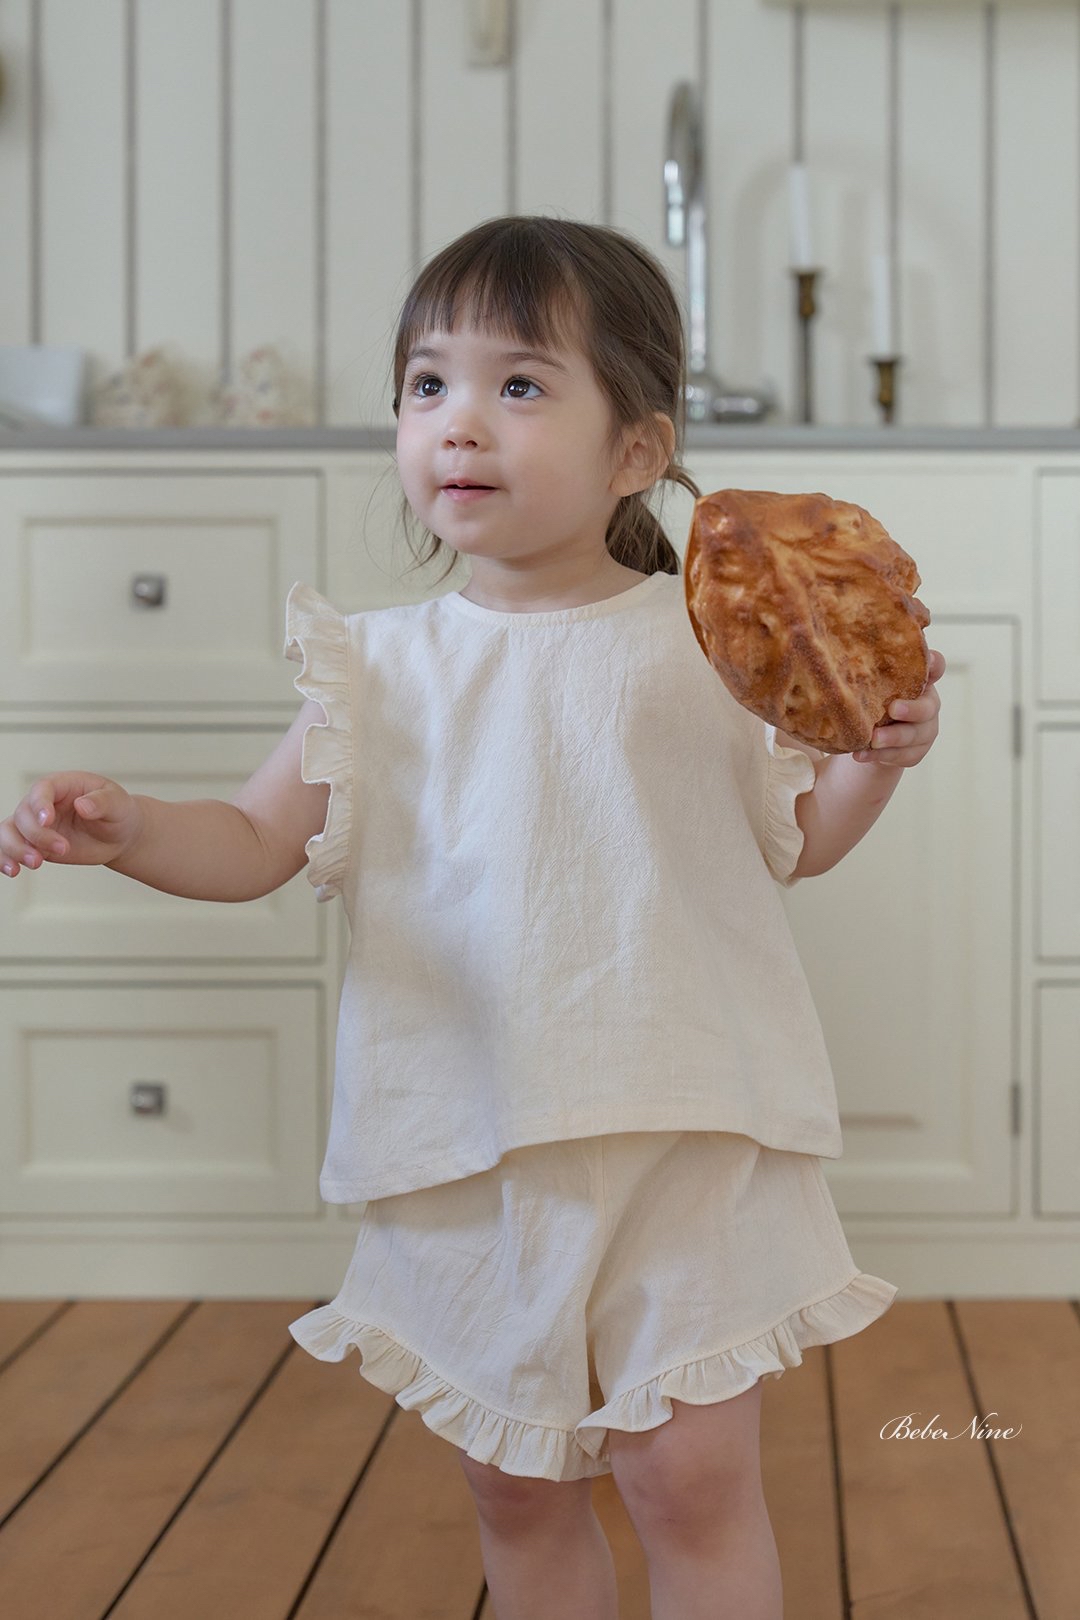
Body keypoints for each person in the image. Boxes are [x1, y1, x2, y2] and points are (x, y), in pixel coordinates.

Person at [0, 215, 944, 1620]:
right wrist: (132, 828)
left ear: (635, 451)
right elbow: (254, 842)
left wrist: (875, 760)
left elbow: (793, 844)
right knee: (516, 1488)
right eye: (427, 384)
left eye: (519, 385)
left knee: (691, 1483)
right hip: (468, 1141)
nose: (459, 421)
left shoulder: (707, 645)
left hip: (688, 1126)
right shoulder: (379, 668)